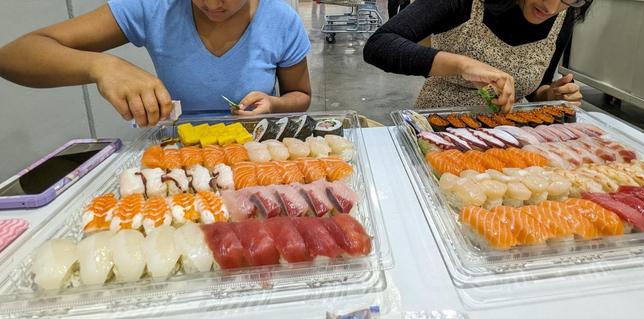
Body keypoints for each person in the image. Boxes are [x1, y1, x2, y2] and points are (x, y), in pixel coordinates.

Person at [0, 0, 312, 127]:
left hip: (253, 154)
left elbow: (301, 96)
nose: (214, 4)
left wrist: (273, 105)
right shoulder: (155, 7)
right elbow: (13, 56)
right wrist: (103, 66)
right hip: (173, 157)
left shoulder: (280, 19)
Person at [364, 0, 592, 113]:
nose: (551, 8)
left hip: (512, 136)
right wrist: (462, 64)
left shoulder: (564, 15)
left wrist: (550, 94)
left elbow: (535, 90)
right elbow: (380, 45)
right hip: (439, 125)